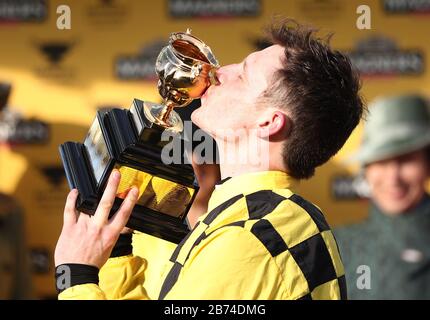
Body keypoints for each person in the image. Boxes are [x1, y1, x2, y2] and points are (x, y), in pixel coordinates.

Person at [54, 18, 365, 300]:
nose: (219, 72)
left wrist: (76, 278)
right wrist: (118, 250)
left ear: (269, 122)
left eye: (243, 75)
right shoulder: (275, 218)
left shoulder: (248, 237)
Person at [334, 94, 430, 299]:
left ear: (427, 164)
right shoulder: (338, 245)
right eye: (381, 161)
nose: (393, 177)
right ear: (366, 170)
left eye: (406, 159)